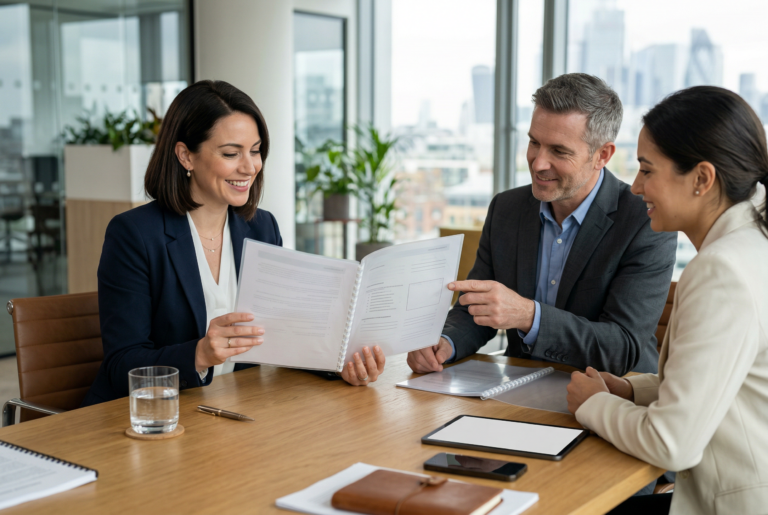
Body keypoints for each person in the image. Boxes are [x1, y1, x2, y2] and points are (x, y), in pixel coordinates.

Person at [82, 81, 384, 406]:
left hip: (234, 409)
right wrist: (198, 354)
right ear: (186, 156)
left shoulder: (261, 227)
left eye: (255, 151)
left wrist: (340, 367)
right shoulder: (134, 234)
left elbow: (286, 338)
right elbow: (121, 365)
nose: (249, 166)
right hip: (153, 418)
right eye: (231, 153)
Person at [566, 86, 768, 515]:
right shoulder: (754, 242)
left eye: (646, 170)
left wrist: (593, 404)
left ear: (702, 179)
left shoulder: (722, 271)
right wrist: (628, 389)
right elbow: (720, 381)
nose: (636, 187)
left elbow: (671, 444)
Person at [408, 73, 676, 377]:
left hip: (611, 397)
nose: (537, 163)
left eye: (559, 151)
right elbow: (476, 309)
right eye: (534, 143)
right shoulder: (506, 209)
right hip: (516, 387)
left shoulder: (645, 221)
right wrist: (445, 342)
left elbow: (623, 347)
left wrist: (528, 315)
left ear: (602, 155)